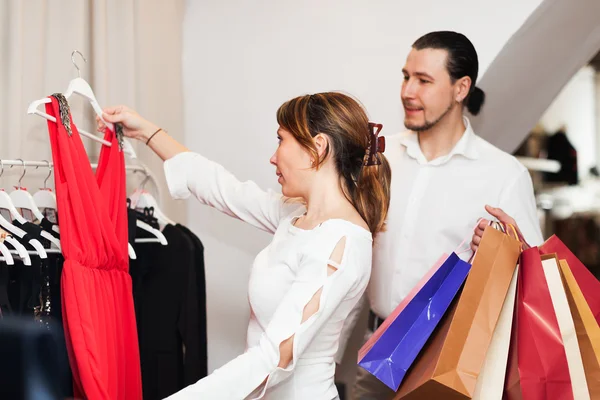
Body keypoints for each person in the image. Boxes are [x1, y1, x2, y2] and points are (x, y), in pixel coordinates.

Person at [97, 92, 392, 400]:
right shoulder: (295, 216)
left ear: (317, 147)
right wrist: (146, 131)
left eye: (281, 140)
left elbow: (275, 356)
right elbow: (223, 189)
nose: (273, 157)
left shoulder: (341, 242)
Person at [345, 31, 544, 399]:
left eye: (424, 80)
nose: (408, 91)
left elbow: (536, 279)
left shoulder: (503, 173)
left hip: (449, 366)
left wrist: (510, 251)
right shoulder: (380, 159)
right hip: (376, 355)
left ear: (460, 88)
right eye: (406, 76)